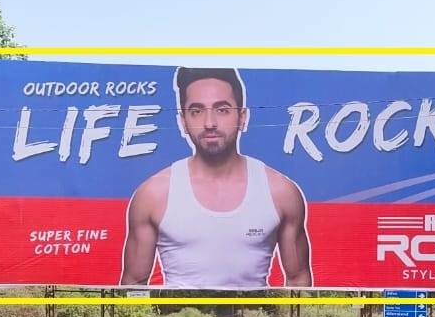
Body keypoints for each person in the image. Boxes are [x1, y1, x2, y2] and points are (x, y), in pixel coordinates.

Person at [120, 67, 313, 289]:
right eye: (196, 111)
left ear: (242, 117)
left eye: (222, 109)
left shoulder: (281, 192)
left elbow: (299, 281)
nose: (209, 123)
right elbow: (132, 288)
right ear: (182, 121)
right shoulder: (153, 195)